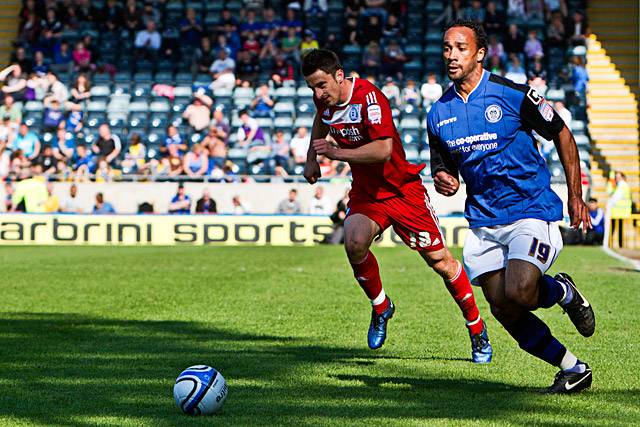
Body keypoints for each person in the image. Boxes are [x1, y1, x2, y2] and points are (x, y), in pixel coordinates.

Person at [427, 20, 595, 393]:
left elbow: (562, 133)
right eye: (446, 48)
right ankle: (572, 369)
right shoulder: (438, 114)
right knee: (503, 307)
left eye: (460, 48)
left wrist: (576, 194)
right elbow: (443, 166)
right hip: (484, 221)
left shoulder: (512, 94)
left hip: (531, 210)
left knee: (520, 291)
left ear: (480, 54)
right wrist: (445, 178)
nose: (451, 55)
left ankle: (562, 293)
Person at [301, 48, 492, 362]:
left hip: (403, 192)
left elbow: (383, 150)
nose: (318, 94)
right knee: (354, 242)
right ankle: (381, 307)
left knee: (441, 263)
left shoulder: (369, 98)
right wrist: (311, 158)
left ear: (339, 76)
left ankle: (476, 328)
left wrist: (335, 155)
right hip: (367, 192)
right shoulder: (324, 101)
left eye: (321, 85)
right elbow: (320, 120)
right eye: (312, 88)